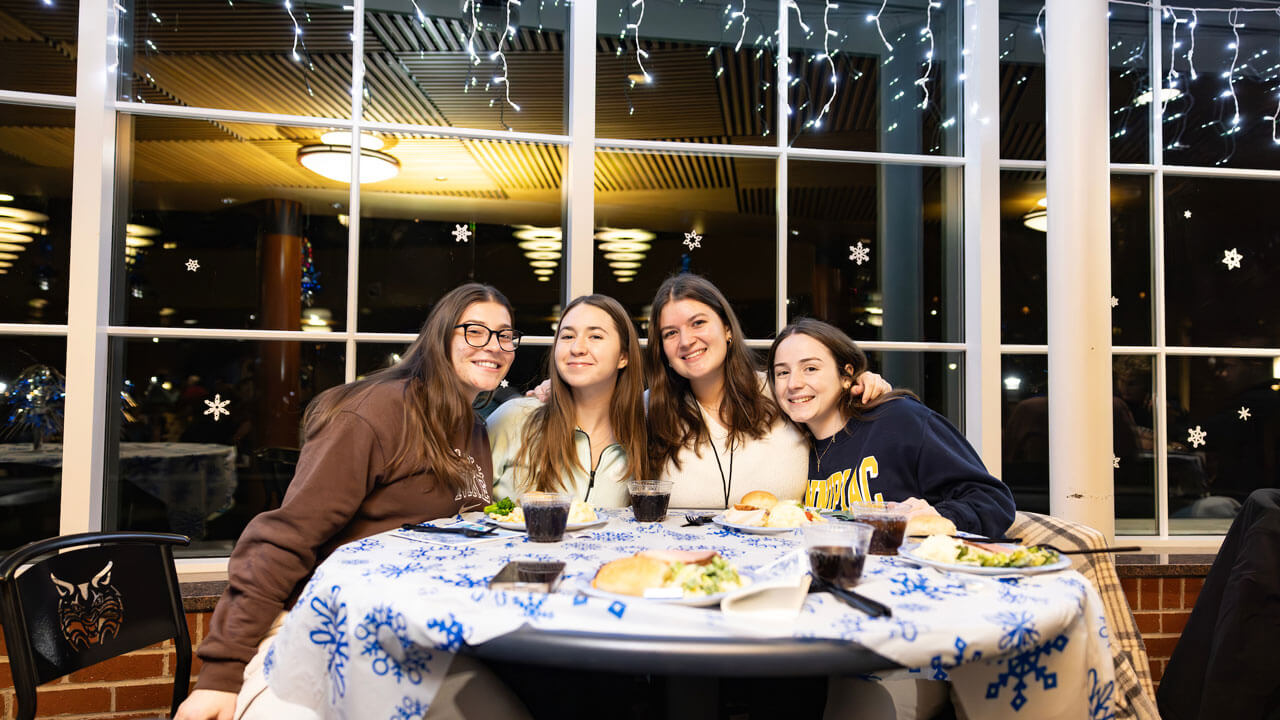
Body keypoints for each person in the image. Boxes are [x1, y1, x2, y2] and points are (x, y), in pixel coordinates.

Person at [175, 283, 530, 720]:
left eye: (505, 335)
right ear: (439, 337)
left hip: (410, 636)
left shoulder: (472, 427)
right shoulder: (376, 412)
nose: (493, 346)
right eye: (474, 331)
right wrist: (220, 677)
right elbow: (282, 540)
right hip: (322, 628)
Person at [646, 274, 890, 509]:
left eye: (698, 323)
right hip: (685, 550)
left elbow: (846, 423)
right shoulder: (649, 408)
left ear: (727, 329)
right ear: (662, 349)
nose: (686, 340)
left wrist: (864, 384)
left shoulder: (785, 391)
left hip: (790, 548)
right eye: (671, 333)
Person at [767, 317, 1015, 538]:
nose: (793, 383)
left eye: (810, 368)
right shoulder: (792, 444)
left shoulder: (899, 419)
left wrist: (939, 516)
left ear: (846, 375)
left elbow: (993, 500)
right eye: (782, 372)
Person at [487, 294, 648, 506]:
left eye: (595, 337)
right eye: (567, 336)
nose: (577, 348)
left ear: (623, 357)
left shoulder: (643, 434)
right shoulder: (514, 418)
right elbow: (460, 511)